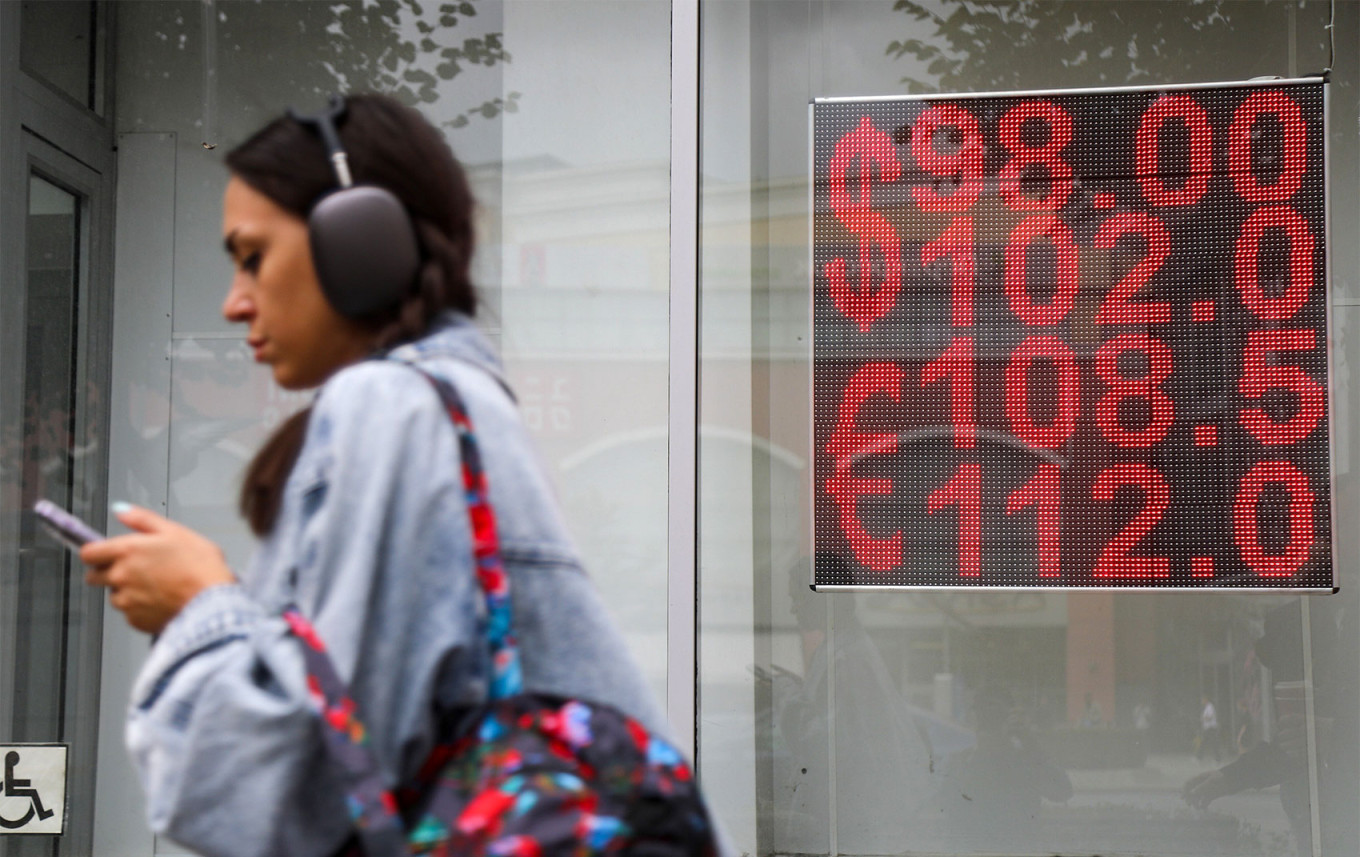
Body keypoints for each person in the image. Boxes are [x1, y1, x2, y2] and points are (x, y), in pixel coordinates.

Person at [79, 94, 711, 857]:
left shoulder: (391, 408)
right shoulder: (453, 403)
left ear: (359, 244)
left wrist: (201, 607)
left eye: (253, 256)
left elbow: (287, 788)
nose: (235, 301)